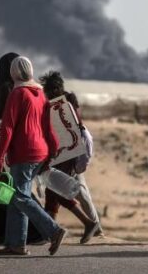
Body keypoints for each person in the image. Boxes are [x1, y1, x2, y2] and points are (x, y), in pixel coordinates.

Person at [0, 56, 68, 256]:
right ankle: (15, 244)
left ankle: (54, 231)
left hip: (24, 153)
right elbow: (48, 127)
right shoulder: (40, 94)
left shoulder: (17, 94)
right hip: (40, 152)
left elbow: (7, 128)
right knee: (16, 198)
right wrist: (51, 152)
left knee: (20, 197)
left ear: (13, 73)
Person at [39, 71, 101, 244]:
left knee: (57, 190)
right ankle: (49, 232)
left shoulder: (63, 103)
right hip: (61, 154)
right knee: (52, 191)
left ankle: (89, 223)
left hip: (67, 154)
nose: (48, 93)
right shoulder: (65, 101)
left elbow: (70, 129)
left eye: (50, 90)